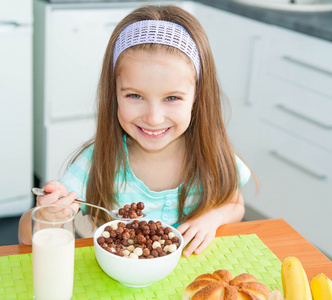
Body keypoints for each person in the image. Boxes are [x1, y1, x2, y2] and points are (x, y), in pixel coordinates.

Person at [19, 4, 251, 257]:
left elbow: (234, 203)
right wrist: (47, 214)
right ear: (114, 93)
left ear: (197, 97)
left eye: (172, 98)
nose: (153, 118)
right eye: (135, 95)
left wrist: (213, 217)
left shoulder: (210, 155)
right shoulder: (97, 161)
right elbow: (25, 238)